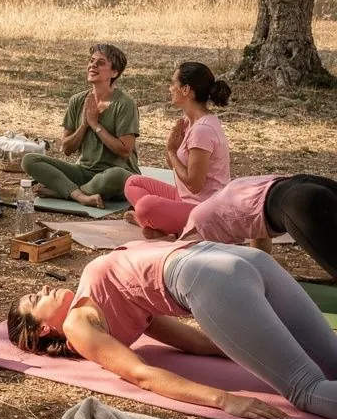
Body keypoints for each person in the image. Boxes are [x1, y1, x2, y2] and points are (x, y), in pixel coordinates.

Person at [6, 237, 337, 419]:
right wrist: (224, 400)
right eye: (36, 298)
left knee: (307, 388)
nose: (44, 289)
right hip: (238, 259)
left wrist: (268, 347)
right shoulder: (77, 324)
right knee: (324, 367)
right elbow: (147, 371)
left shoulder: (93, 306)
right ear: (44, 329)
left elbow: (188, 347)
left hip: (217, 272)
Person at [21, 43, 139, 207]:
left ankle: (65, 192)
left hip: (114, 175)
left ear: (114, 72)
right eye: (91, 61)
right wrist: (84, 125)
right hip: (84, 172)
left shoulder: (124, 104)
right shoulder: (77, 101)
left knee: (116, 176)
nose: (93, 66)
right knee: (29, 160)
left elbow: (125, 150)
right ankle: (81, 196)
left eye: (100, 63)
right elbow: (67, 148)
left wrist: (96, 125)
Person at [125, 62, 231, 237]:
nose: (170, 88)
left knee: (145, 206)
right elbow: (174, 167)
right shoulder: (189, 122)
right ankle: (162, 225)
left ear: (186, 89)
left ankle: (158, 223)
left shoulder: (202, 130)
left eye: (173, 83)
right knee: (133, 182)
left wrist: (172, 152)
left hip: (203, 210)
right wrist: (172, 152)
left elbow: (195, 185)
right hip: (183, 199)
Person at [184, 173, 337, 279]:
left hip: (299, 203)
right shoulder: (226, 196)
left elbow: (209, 273)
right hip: (310, 183)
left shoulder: (196, 226)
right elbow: (259, 232)